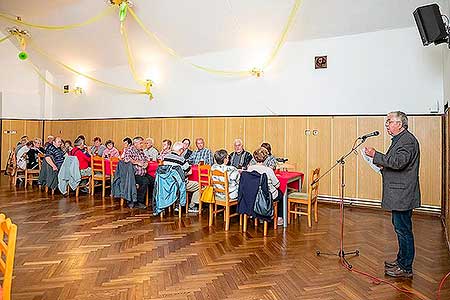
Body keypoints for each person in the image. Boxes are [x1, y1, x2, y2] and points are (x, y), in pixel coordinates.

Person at [364, 111, 420, 278]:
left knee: (403, 230)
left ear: (400, 124)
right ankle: (401, 260)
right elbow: (395, 162)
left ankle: (405, 268)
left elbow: (398, 162)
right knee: (400, 228)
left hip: (402, 194)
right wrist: (382, 164)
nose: (386, 124)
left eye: (389, 121)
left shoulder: (407, 141)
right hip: (399, 193)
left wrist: (376, 155)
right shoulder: (400, 139)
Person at [247, 147, 284, 226]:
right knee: (281, 194)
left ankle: (259, 215)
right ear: (265, 157)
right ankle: (279, 217)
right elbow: (277, 184)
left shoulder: (250, 168)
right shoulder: (268, 170)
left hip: (254, 195)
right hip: (267, 196)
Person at [162, 141, 200, 213]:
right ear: (181, 150)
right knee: (199, 185)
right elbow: (190, 172)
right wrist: (180, 174)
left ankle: (176, 204)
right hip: (179, 184)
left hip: (167, 184)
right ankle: (192, 206)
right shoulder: (181, 159)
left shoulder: (165, 157)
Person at [123, 136, 155, 209]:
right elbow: (126, 159)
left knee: (153, 180)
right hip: (134, 174)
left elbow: (146, 159)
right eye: (140, 143)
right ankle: (138, 201)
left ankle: (151, 199)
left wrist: (146, 163)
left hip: (143, 173)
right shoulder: (130, 150)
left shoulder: (141, 151)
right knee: (145, 181)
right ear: (135, 143)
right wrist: (137, 162)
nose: (142, 145)